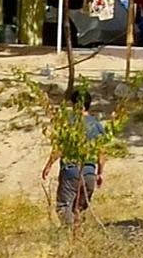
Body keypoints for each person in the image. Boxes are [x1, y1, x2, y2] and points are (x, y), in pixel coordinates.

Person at [45, 83, 107, 225]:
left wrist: (48, 165)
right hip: (89, 173)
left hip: (70, 172)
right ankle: (79, 237)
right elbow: (102, 152)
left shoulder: (68, 123)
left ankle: (69, 237)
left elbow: (59, 148)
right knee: (80, 209)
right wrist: (100, 173)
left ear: (74, 104)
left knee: (64, 206)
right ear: (89, 104)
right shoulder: (97, 125)